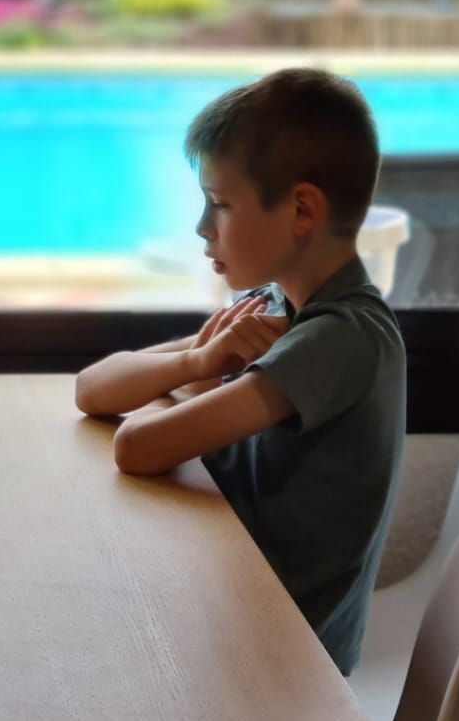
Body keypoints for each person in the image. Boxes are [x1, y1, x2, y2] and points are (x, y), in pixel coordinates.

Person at [75, 68, 405, 674]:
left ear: (301, 209)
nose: (202, 227)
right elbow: (93, 389)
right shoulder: (275, 306)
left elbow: (136, 445)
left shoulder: (341, 338)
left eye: (220, 204)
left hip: (287, 657)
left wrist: (192, 377)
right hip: (236, 596)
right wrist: (198, 361)